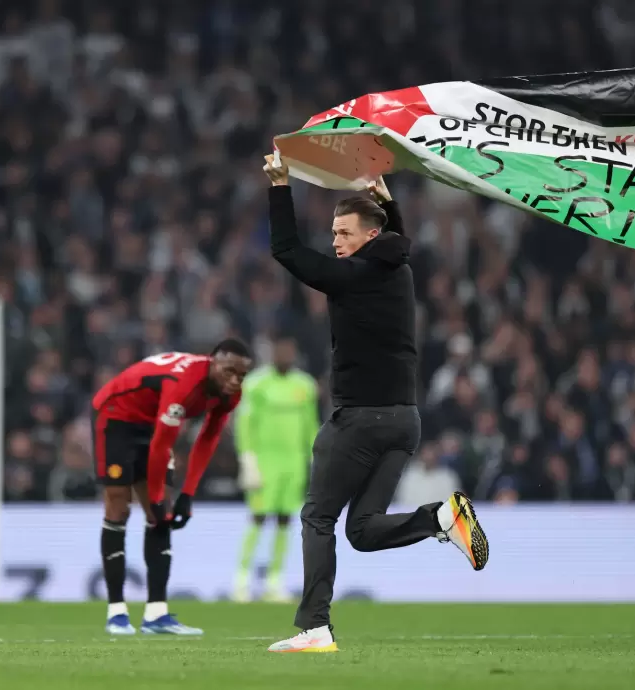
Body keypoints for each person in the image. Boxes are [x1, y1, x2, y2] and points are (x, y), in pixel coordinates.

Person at [262, 154, 489, 653]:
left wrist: (280, 184)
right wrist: (387, 201)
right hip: (404, 421)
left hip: (360, 420)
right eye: (334, 233)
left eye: (344, 233)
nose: (335, 243)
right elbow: (398, 238)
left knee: (317, 518)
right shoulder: (399, 269)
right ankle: (439, 519)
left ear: (369, 236)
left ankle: (315, 627)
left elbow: (285, 248)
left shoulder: (353, 275)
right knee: (362, 530)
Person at [91, 340, 252, 635]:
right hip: (116, 414)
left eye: (241, 375)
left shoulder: (230, 394)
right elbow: (161, 445)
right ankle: (117, 612)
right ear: (213, 362)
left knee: (160, 514)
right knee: (119, 506)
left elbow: (208, 439)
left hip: (153, 422)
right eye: (229, 371)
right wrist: (154, 496)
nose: (234, 381)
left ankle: (156, 614)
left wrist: (188, 494)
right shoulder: (185, 385)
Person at [232, 335, 320, 603]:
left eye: (289, 351)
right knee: (258, 517)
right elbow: (245, 423)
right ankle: (242, 580)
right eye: (280, 351)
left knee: (285, 519)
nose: (285, 355)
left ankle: (274, 581)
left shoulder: (305, 385)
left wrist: (316, 458)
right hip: (264, 461)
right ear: (272, 353)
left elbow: (311, 425)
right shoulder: (256, 383)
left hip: (294, 463)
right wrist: (247, 458)